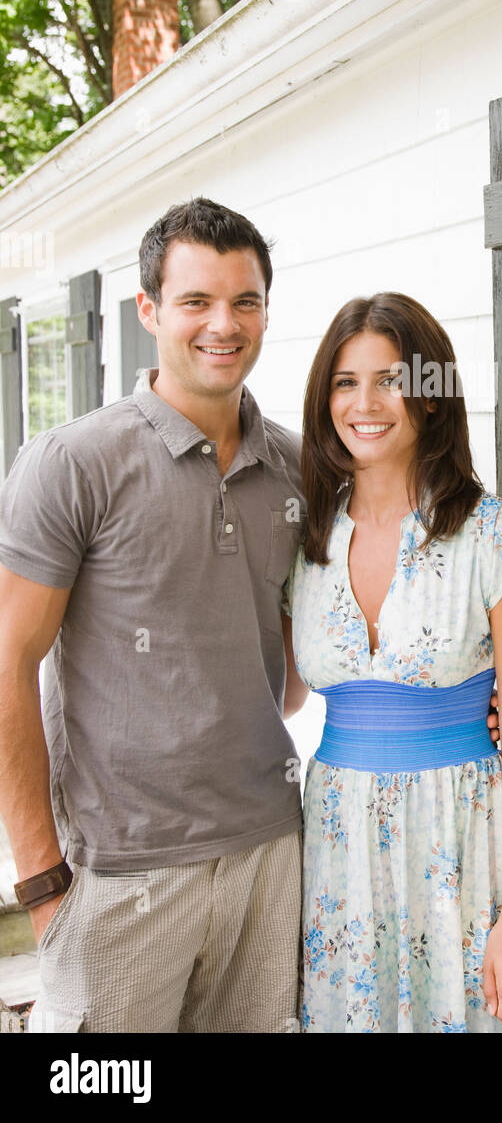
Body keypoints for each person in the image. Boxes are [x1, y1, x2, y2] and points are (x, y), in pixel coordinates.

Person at [0, 198, 309, 1032]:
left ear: (267, 311)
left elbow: (303, 662)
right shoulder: (72, 464)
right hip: (118, 876)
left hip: (269, 855)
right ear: (148, 311)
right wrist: (41, 884)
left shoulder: (294, 469)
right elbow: (7, 666)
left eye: (245, 301)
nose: (224, 324)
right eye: (196, 301)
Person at [283, 292, 502, 1032]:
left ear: (433, 398)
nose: (365, 402)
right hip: (340, 853)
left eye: (391, 379)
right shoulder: (307, 541)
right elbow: (283, 693)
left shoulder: (493, 536)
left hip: (465, 846)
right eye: (346, 382)